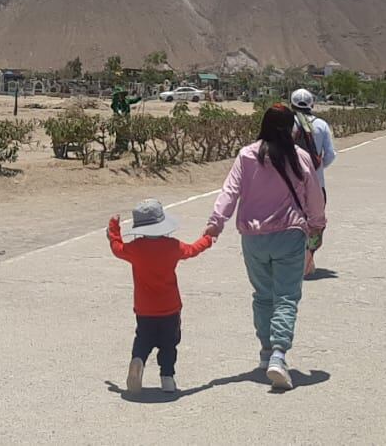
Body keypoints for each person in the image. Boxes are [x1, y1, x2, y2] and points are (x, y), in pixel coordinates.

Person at [205, 104, 327, 390]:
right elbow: (314, 196)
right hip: (289, 235)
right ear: (292, 129)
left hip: (253, 238)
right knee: (286, 297)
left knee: (263, 296)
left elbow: (230, 191)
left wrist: (216, 223)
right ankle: (278, 355)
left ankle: (265, 351)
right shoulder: (299, 156)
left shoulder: (247, 155)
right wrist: (317, 224)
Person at [108, 199, 214, 394]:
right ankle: (167, 378)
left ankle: (138, 360)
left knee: (143, 338)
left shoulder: (135, 248)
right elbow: (193, 250)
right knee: (169, 344)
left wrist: (114, 230)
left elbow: (117, 248)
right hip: (170, 307)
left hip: (144, 308)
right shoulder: (172, 246)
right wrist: (208, 239)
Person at [288, 88, 336, 276]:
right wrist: (316, 170)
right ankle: (308, 257)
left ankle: (290, 259)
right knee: (315, 222)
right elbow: (330, 155)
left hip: (289, 183)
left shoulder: (285, 123)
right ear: (312, 104)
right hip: (316, 184)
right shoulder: (321, 125)